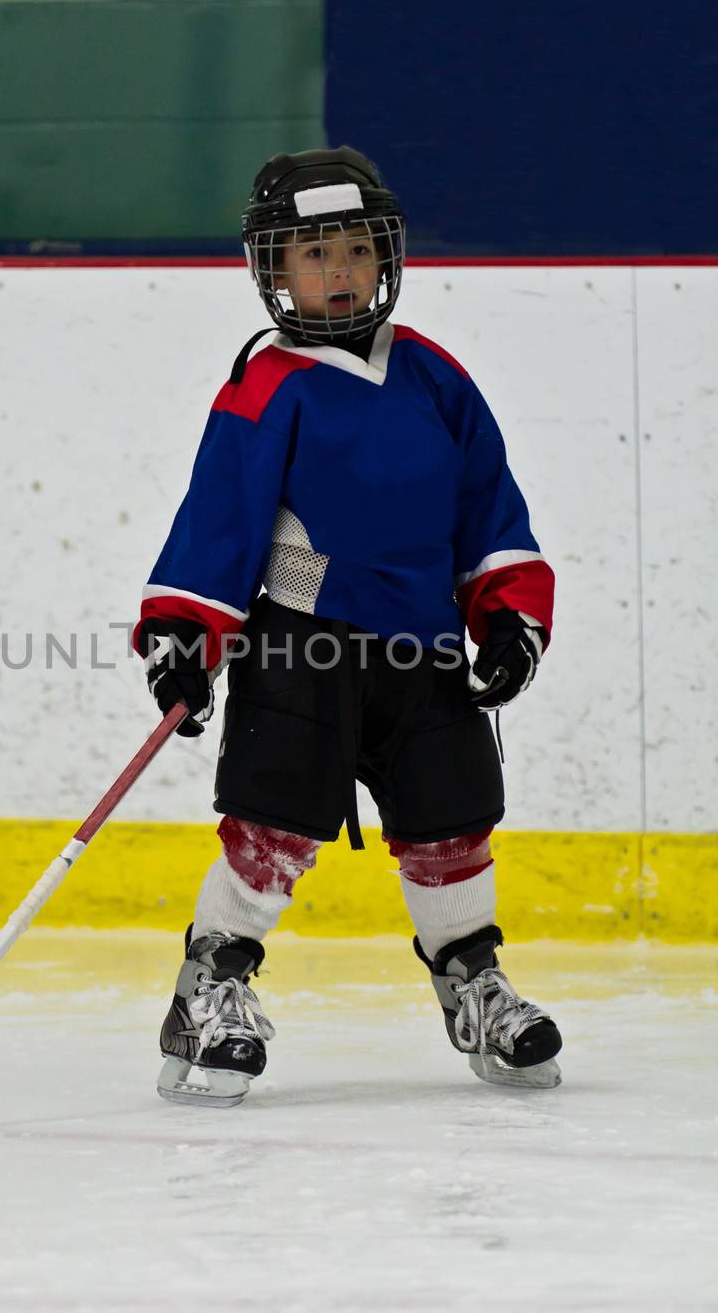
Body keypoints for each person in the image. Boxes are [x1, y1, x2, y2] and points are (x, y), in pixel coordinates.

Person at [134, 147, 561, 1108]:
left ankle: (473, 982)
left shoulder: (432, 377)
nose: (338, 270)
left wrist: (508, 618)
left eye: (357, 249)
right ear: (273, 270)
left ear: (387, 258)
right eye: (312, 252)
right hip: (301, 644)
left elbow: (490, 512)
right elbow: (218, 523)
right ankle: (211, 989)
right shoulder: (267, 384)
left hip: (424, 647)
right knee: (272, 823)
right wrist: (182, 637)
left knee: (452, 819)